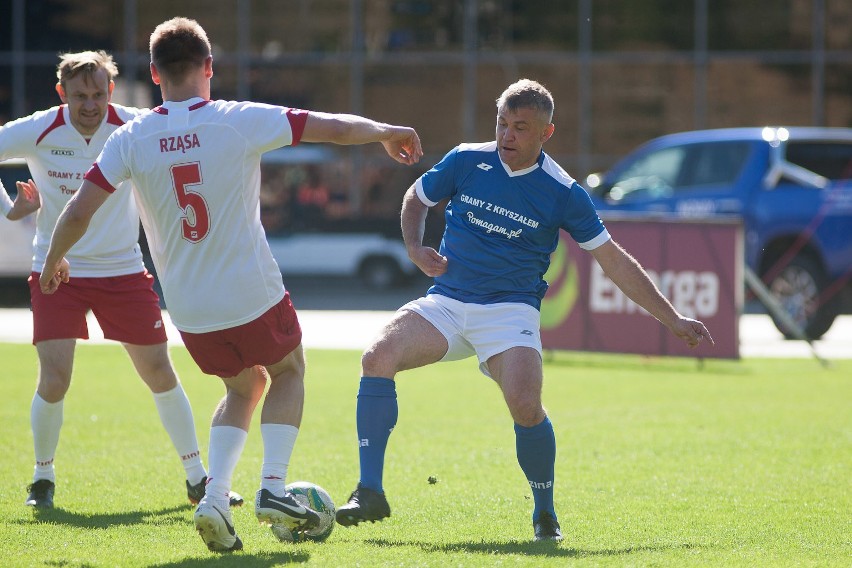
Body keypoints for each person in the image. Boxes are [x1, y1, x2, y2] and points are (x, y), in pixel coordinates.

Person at [39, 17, 422, 553]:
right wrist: (384, 131)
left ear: (154, 74)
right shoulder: (236, 119)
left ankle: (216, 497)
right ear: (209, 68)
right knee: (289, 371)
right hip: (250, 290)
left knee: (242, 386)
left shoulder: (129, 136)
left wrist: (55, 260)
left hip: (189, 308)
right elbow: (331, 127)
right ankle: (272, 488)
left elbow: (79, 210)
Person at [334, 79, 714, 542]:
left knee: (525, 404)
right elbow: (418, 196)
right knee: (377, 357)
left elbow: (612, 259)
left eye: (519, 127)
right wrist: (415, 246)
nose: (506, 136)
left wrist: (672, 319)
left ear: (545, 133)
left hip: (510, 312)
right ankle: (369, 491)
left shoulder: (563, 192)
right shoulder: (466, 160)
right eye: (501, 124)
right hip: (448, 302)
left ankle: (545, 512)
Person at [0, 50, 242, 511]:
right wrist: (10, 211)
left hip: (123, 270)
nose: (89, 105)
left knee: (159, 371)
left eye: (97, 94)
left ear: (110, 92)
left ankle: (197, 479)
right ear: (61, 94)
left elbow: (188, 143)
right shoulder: (38, 128)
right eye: (78, 96)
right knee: (54, 377)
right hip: (56, 268)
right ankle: (42, 480)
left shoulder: (135, 124)